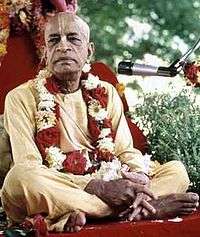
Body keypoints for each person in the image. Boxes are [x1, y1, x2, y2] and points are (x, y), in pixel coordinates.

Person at [1, 12, 199, 233]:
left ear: (89, 50)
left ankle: (87, 211)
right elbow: (28, 165)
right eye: (54, 40)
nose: (63, 46)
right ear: (46, 52)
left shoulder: (106, 92)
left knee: (177, 171)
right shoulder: (20, 97)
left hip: (106, 180)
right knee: (20, 180)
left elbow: (125, 151)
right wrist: (98, 187)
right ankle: (141, 208)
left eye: (73, 38)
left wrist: (140, 180)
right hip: (62, 185)